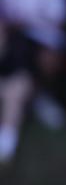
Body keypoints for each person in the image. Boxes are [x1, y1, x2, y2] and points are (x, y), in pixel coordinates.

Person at [0, 0, 66, 130]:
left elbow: (59, 18)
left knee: (46, 61)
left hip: (43, 39)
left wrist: (28, 21)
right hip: (13, 39)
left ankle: (39, 99)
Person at [0, 22, 34, 164]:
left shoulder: (16, 40)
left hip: (9, 82)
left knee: (17, 88)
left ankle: (5, 149)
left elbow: (20, 72)